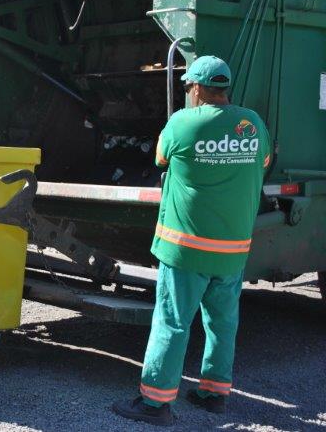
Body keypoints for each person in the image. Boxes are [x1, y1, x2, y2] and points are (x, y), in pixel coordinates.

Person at [112, 56, 270, 426]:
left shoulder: (181, 123)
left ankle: (155, 403)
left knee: (172, 321)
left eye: (187, 86)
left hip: (186, 248)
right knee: (222, 322)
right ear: (224, 87)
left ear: (197, 88)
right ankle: (214, 393)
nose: (188, 92)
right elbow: (263, 162)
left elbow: (160, 159)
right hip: (233, 249)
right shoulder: (253, 123)